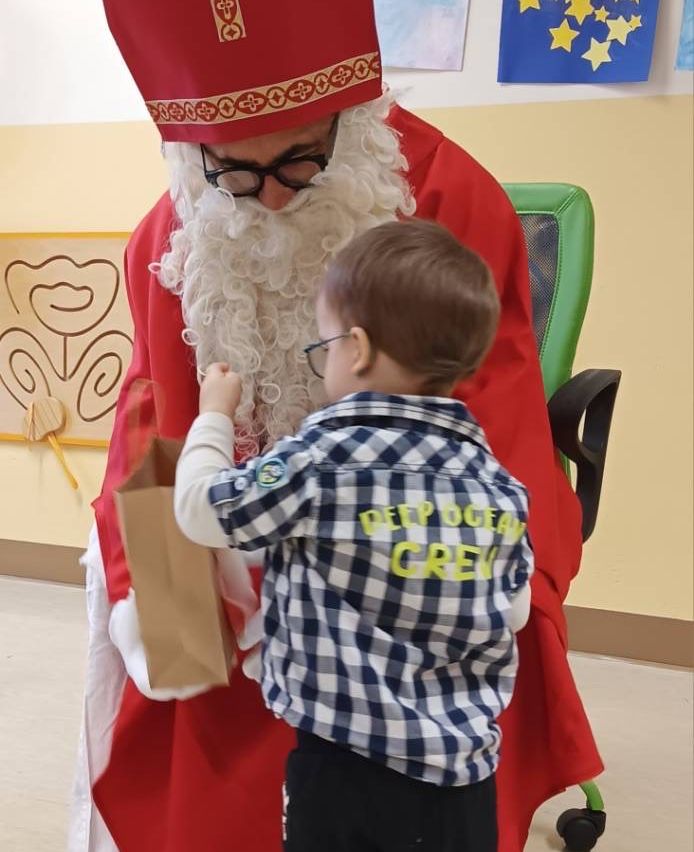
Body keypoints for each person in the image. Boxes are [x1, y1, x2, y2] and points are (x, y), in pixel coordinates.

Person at [70, 1, 602, 850]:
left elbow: (496, 421)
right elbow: (156, 421)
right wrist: (166, 605)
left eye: (298, 161)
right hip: (235, 569)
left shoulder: (448, 198)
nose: (271, 199)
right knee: (176, 687)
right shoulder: (171, 237)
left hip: (415, 567)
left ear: (347, 119)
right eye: (234, 174)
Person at [173, 219, 534, 852]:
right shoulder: (498, 483)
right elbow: (516, 606)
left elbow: (205, 509)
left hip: (344, 768)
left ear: (358, 349)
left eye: (324, 348)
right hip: (466, 780)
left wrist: (213, 416)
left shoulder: (322, 457)